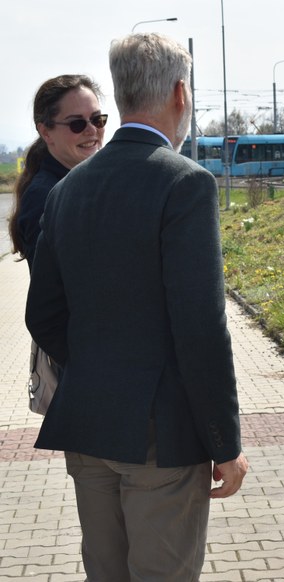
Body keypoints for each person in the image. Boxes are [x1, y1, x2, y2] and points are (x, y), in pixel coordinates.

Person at [25, 33, 248, 581]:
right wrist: (225, 441)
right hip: (161, 436)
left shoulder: (68, 189)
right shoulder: (185, 182)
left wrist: (97, 368)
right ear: (179, 93)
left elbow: (43, 314)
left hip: (88, 424)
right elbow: (201, 327)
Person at [8, 74, 106, 269]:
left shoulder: (87, 183)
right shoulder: (43, 197)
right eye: (76, 123)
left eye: (97, 119)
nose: (91, 130)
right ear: (45, 132)